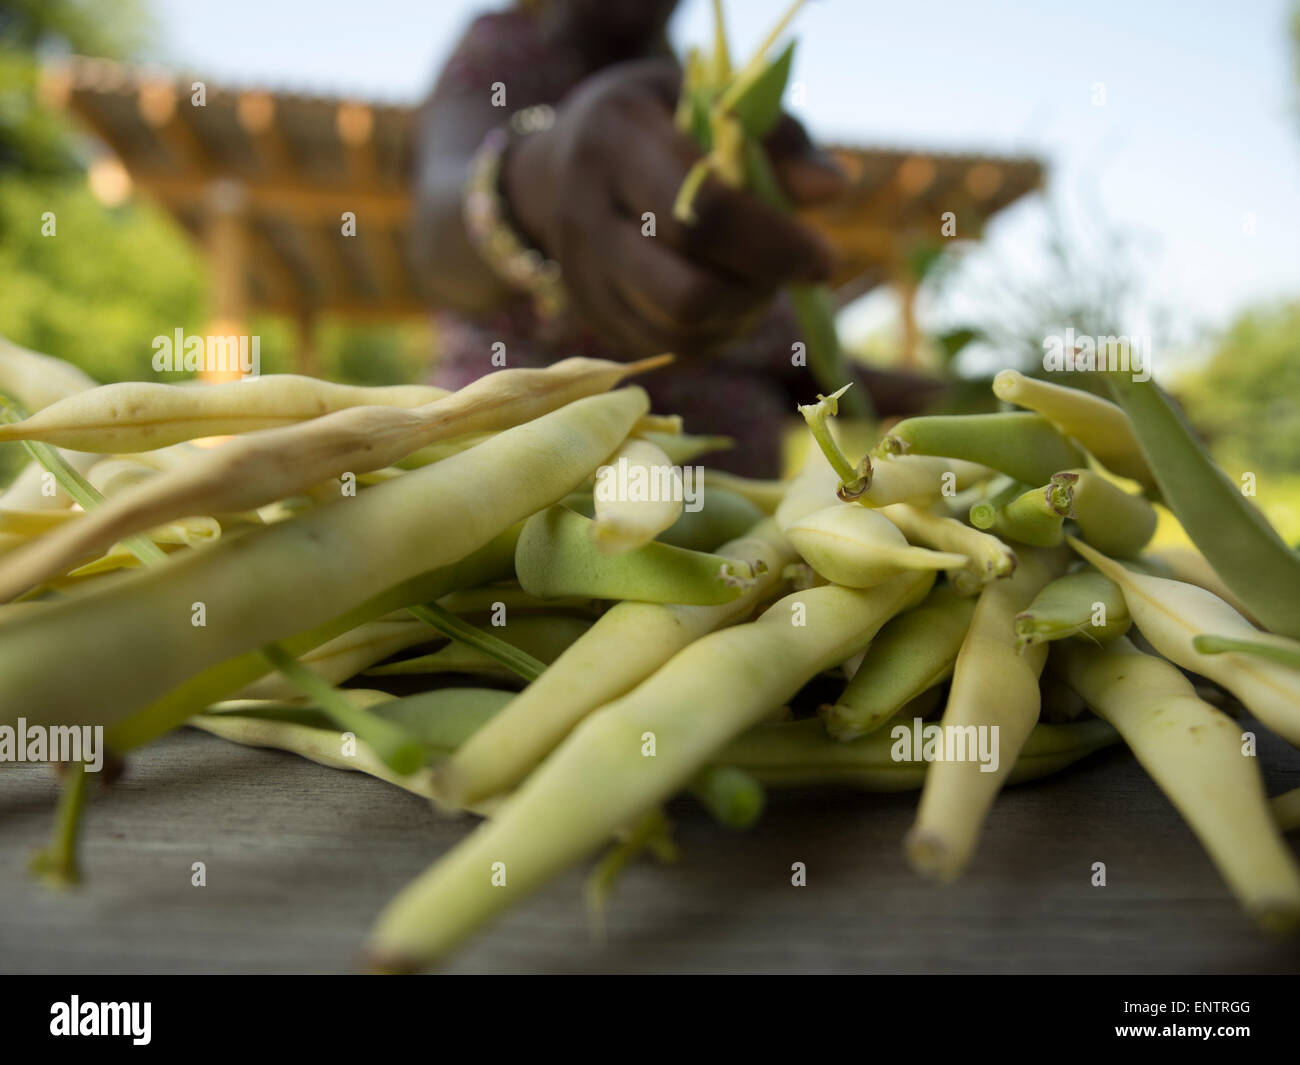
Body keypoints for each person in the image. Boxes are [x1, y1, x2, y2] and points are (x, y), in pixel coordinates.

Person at [411, 0, 941, 476]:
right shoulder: (505, 50)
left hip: (746, 541)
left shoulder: (703, 102)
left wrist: (948, 400)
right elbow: (437, 236)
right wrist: (534, 183)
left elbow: (787, 364)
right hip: (528, 491)